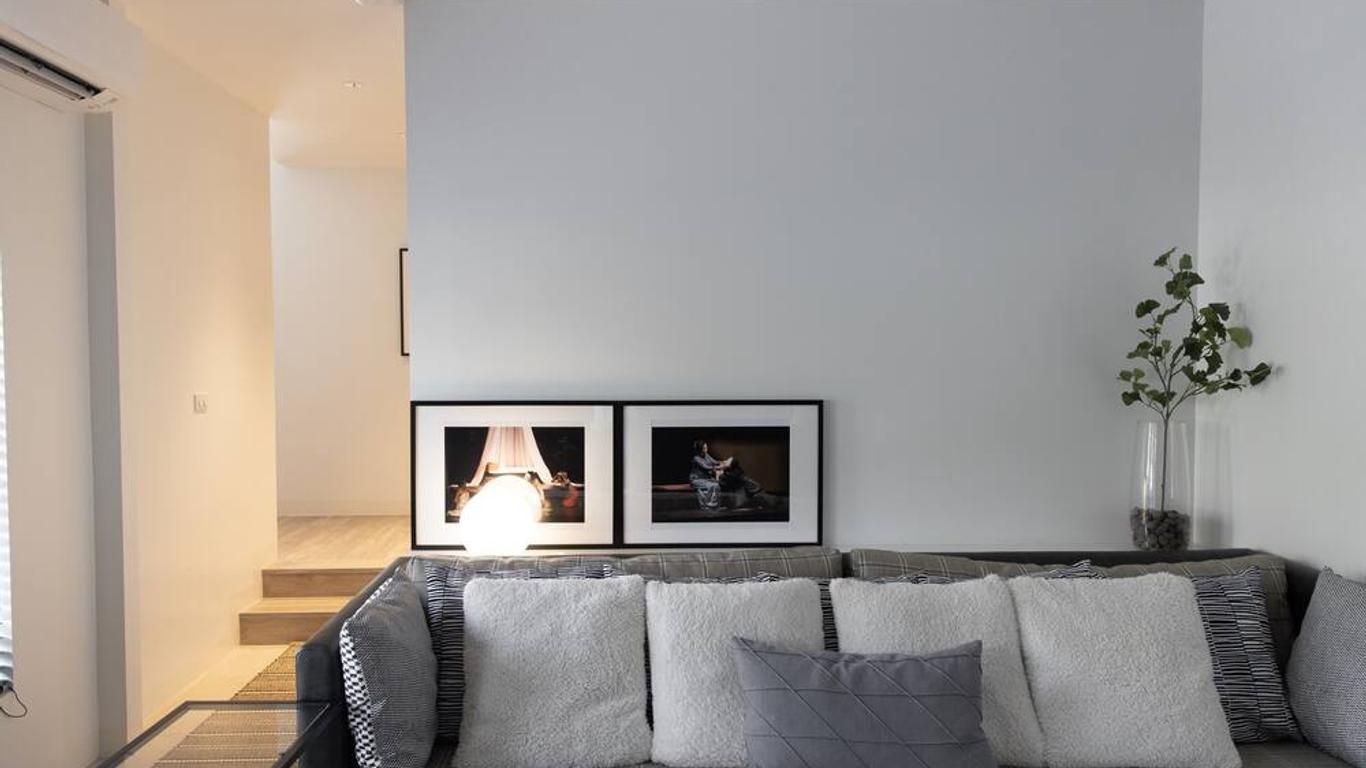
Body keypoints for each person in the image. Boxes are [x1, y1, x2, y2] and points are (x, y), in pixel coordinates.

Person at [689, 439, 763, 510]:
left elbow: (715, 462)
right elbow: (706, 467)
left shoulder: (706, 455)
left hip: (713, 477)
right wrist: (721, 467)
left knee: (737, 480)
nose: (706, 449)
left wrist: (722, 462)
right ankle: (711, 505)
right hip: (698, 478)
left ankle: (750, 490)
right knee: (715, 485)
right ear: (700, 449)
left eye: (706, 447)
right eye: (704, 448)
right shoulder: (696, 458)